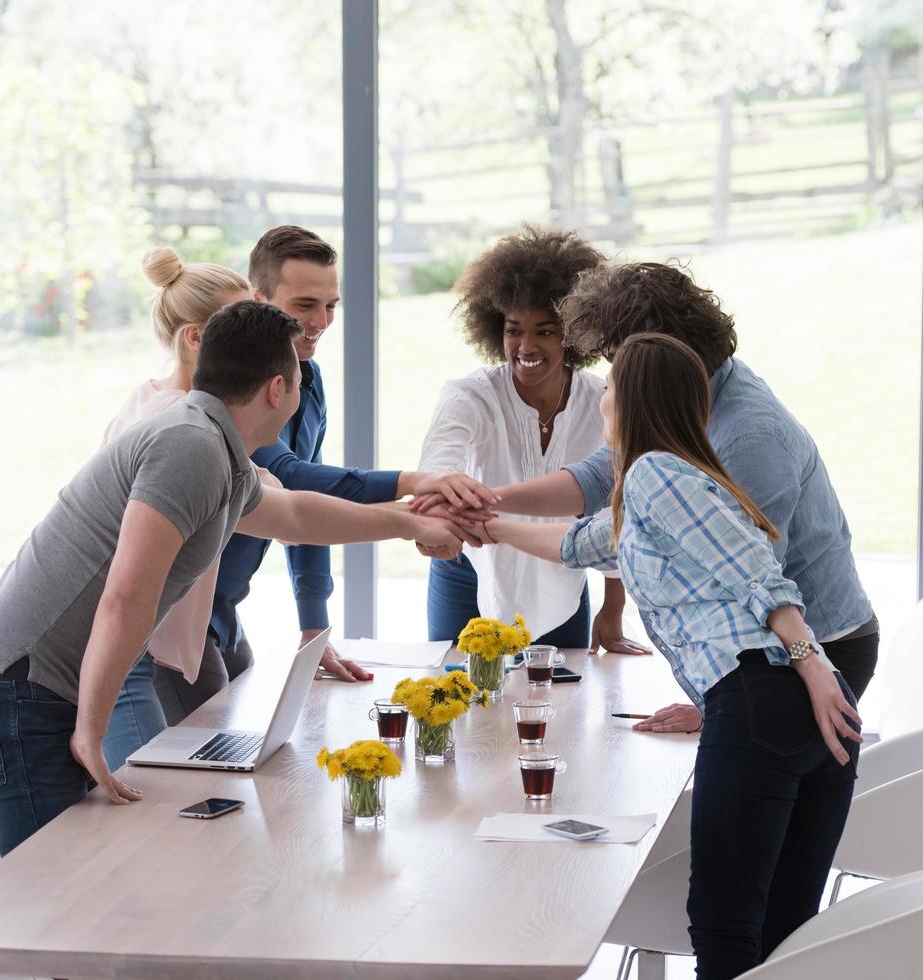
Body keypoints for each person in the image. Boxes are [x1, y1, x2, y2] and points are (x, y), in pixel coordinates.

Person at [0, 301, 465, 855]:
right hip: (13, 695)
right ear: (276, 390)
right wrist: (92, 730)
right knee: (50, 896)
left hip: (25, 691)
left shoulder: (215, 448)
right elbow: (127, 595)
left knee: (81, 887)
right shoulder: (191, 447)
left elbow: (297, 516)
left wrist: (409, 522)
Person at [480, 333, 861, 977]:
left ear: (628, 402)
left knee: (725, 921)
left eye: (607, 391)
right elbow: (577, 544)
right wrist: (480, 520)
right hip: (805, 716)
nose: (600, 404)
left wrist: (812, 661)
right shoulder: (677, 486)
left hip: (761, 700)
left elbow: (758, 574)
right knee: (784, 933)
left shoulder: (657, 475)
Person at [448, 261, 879, 732]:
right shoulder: (677, 402)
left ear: (659, 352)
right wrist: (485, 502)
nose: (608, 384)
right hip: (764, 657)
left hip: (814, 649)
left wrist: (717, 705)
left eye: (618, 362)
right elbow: (597, 486)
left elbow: (750, 580)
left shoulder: (750, 437)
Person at [202, 226, 494, 709]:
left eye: (331, 305)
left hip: (222, 615)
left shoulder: (307, 382)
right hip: (179, 620)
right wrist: (412, 485)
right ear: (258, 300)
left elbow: (311, 513)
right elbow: (289, 482)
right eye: (304, 305)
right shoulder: (234, 390)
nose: (320, 321)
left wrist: (313, 626)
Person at [412, 225, 644, 651]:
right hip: (470, 569)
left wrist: (613, 608)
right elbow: (439, 464)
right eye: (514, 329)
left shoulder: (603, 401)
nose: (526, 345)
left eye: (545, 330)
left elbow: (619, 502)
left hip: (562, 577)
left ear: (572, 335)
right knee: (455, 699)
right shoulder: (470, 395)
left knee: (558, 706)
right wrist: (435, 513)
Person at [98, 247, 252, 771]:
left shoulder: (151, 400)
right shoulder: (182, 427)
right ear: (196, 339)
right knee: (181, 786)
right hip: (148, 645)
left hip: (159, 638)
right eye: (240, 328)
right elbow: (281, 502)